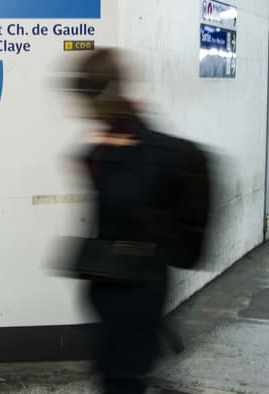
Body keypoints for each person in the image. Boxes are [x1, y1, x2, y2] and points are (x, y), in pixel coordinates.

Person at [64, 49, 205, 393]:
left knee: (123, 379)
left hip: (136, 288)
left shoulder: (151, 151)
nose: (81, 109)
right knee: (117, 374)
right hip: (110, 283)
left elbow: (131, 200)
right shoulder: (105, 145)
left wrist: (102, 157)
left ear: (103, 94)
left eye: (86, 97)